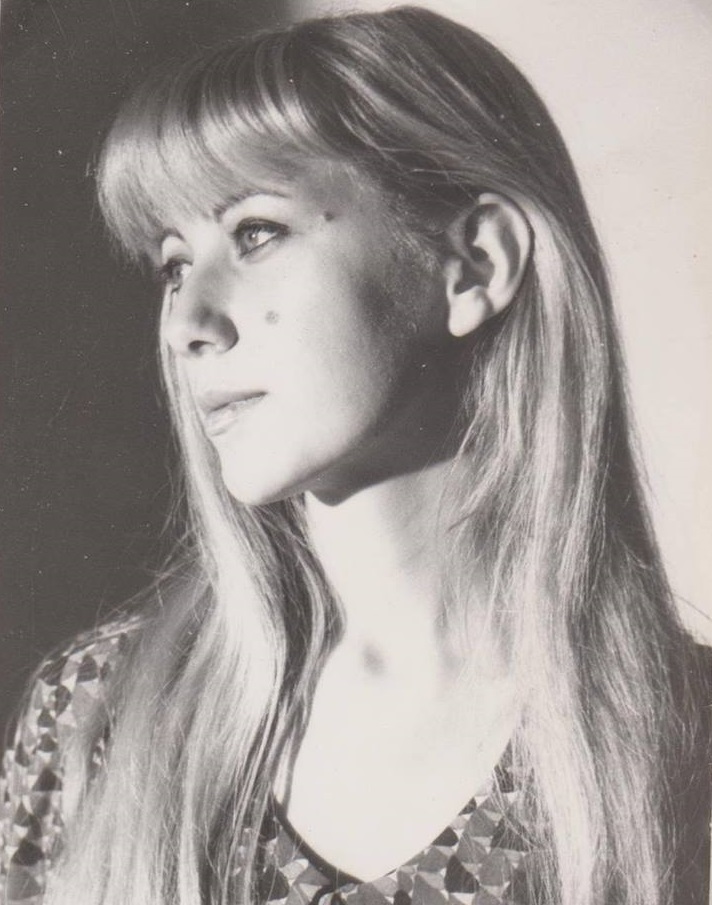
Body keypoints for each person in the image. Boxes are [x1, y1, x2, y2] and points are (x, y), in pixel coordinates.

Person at [1, 6, 709, 905]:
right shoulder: (90, 720)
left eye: (255, 233)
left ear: (475, 265)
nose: (186, 324)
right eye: (175, 264)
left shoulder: (686, 754)